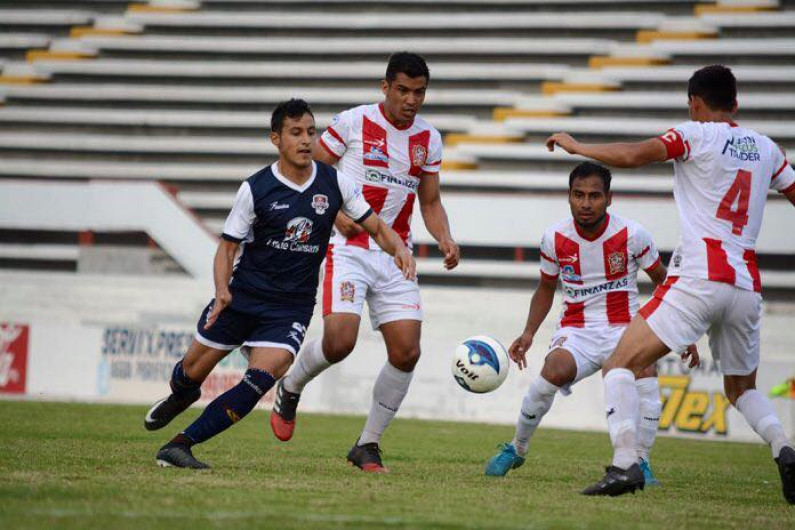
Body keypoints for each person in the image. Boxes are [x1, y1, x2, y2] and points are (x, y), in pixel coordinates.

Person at [546, 65, 795, 502]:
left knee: (619, 363)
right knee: (741, 390)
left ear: (694, 104)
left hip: (698, 276)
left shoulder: (694, 134)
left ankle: (625, 465)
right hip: (745, 285)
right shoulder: (767, 149)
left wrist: (576, 145)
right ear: (735, 105)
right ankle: (785, 448)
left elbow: (631, 155)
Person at [143, 98, 415, 469]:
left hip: (290, 308)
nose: (305, 140)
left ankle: (180, 445)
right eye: (295, 133)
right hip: (242, 297)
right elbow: (227, 247)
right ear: (276, 139)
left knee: (260, 380)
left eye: (310, 132)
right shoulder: (256, 188)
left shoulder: (335, 182)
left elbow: (377, 226)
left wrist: (398, 248)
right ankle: (180, 395)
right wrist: (222, 290)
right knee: (190, 372)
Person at [270, 52, 460, 473]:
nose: (412, 99)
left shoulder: (429, 139)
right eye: (404, 90)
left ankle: (367, 444)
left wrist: (445, 237)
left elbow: (430, 201)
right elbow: (309, 171)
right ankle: (292, 385)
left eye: (420, 92)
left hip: (396, 252)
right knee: (340, 341)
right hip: (349, 247)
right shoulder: (354, 122)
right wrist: (337, 216)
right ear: (385, 87)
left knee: (407, 352)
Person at [484, 162, 697, 484]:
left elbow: (663, 282)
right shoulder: (554, 238)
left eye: (594, 196)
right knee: (551, 373)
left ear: (609, 198)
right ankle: (517, 447)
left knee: (646, 376)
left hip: (626, 328)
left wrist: (681, 327)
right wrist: (528, 333)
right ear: (568, 197)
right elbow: (545, 288)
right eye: (578, 195)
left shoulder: (633, 235)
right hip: (578, 329)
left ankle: (640, 461)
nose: (586, 203)